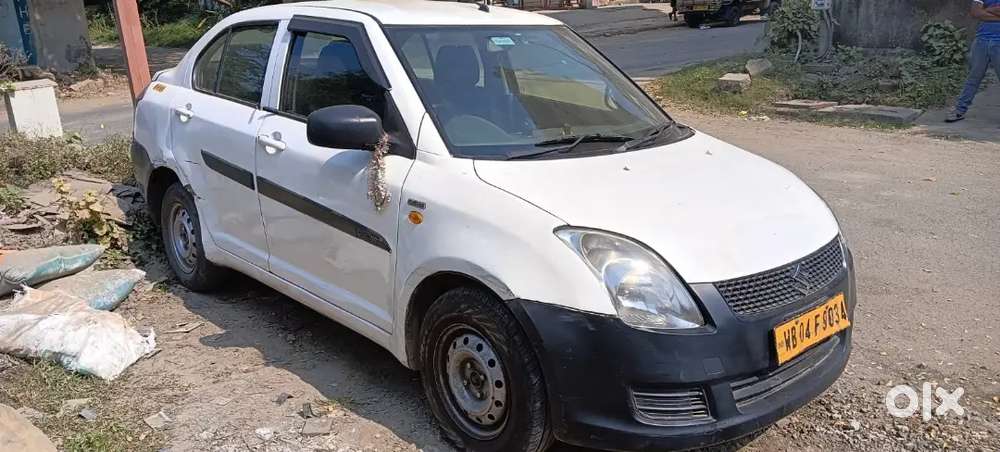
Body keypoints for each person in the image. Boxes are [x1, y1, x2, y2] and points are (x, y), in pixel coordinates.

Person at [947, 0, 1000, 122]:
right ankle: (959, 110)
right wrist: (993, 11)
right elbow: (975, 12)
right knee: (973, 77)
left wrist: (985, 10)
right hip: (981, 40)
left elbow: (980, 12)